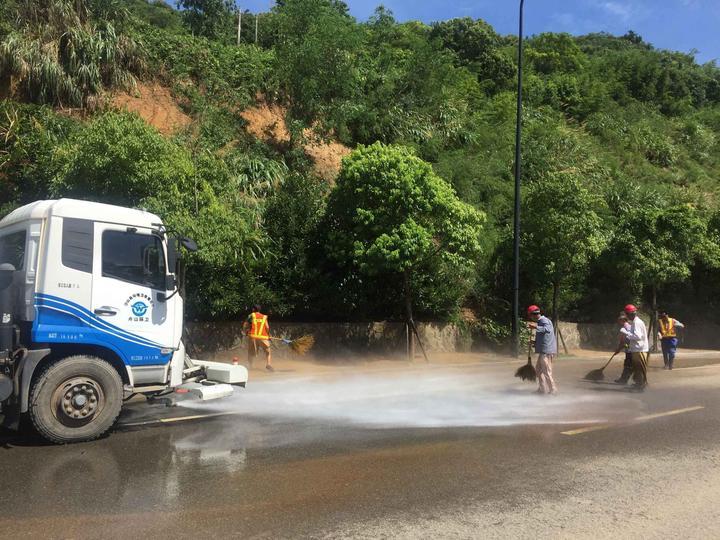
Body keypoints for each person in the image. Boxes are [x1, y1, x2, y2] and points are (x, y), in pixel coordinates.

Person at [526, 305, 557, 395]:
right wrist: (534, 342)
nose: (531, 318)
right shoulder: (540, 322)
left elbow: (548, 330)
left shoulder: (544, 320)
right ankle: (542, 389)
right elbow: (544, 337)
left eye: (530, 316)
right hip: (543, 351)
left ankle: (553, 390)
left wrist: (535, 327)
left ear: (533, 314)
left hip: (546, 351)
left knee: (546, 371)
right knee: (538, 370)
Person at [619, 304, 649, 390]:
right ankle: (639, 385)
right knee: (637, 369)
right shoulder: (635, 322)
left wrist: (626, 333)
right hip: (637, 349)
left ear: (630, 314)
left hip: (640, 350)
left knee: (639, 369)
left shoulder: (637, 322)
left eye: (627, 314)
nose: (627, 317)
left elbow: (638, 336)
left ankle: (640, 386)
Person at [243, 304, 274, 372]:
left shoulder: (251, 315)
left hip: (253, 337)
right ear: (259, 309)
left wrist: (245, 331)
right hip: (263, 337)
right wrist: (268, 335)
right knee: (268, 352)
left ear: (254, 309)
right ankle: (268, 364)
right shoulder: (264, 317)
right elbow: (267, 327)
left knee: (251, 353)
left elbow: (245, 325)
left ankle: (251, 366)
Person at [614, 312, 633, 385]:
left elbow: (623, 341)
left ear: (621, 320)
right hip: (633, 350)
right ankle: (625, 379)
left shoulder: (624, 328)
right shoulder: (631, 326)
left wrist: (618, 349)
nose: (618, 322)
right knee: (630, 365)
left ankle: (624, 380)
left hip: (630, 350)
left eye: (619, 320)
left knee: (628, 365)